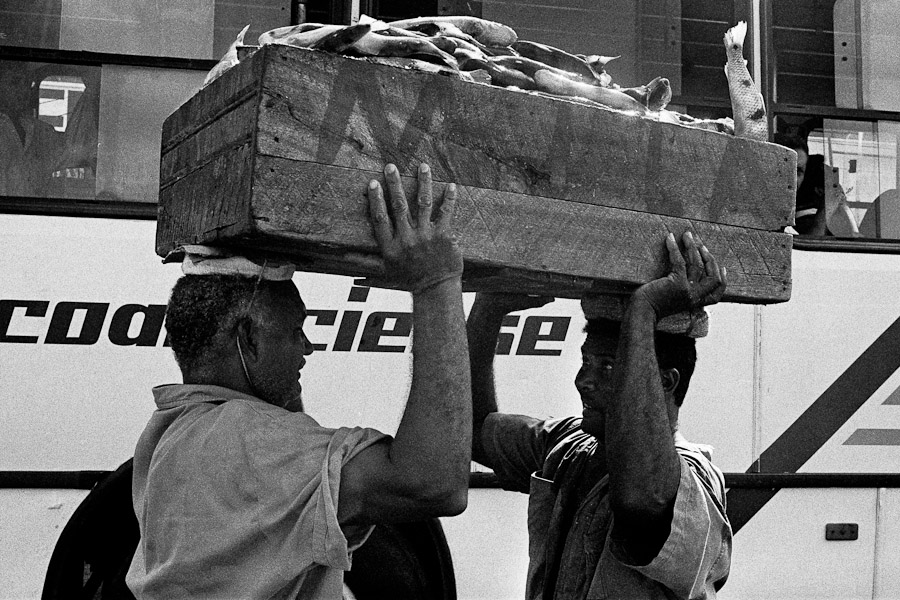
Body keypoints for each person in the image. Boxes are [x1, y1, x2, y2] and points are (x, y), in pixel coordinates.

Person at [126, 163, 472, 599]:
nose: (307, 347)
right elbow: (434, 483)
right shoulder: (252, 444)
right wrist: (434, 282)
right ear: (248, 339)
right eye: (294, 331)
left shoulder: (174, 433)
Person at [467, 231, 732, 599]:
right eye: (585, 362)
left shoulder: (692, 478)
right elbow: (468, 429)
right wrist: (487, 310)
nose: (582, 381)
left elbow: (641, 499)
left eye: (609, 368)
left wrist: (645, 308)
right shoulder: (570, 448)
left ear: (667, 383)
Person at [0, 61, 64, 196]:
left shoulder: (40, 130)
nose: (24, 91)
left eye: (29, 84)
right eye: (15, 82)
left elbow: (73, 151)